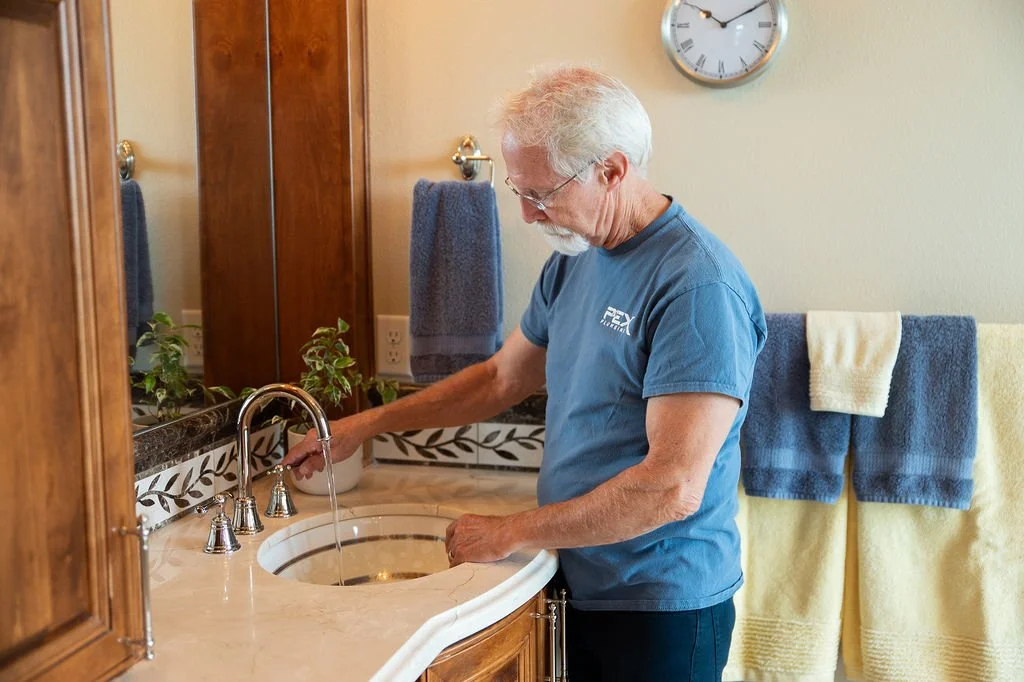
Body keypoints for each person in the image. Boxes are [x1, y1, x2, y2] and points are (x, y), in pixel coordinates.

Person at [284, 66, 766, 682]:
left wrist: (510, 531)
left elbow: (672, 489)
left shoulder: (696, 285)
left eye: (541, 193)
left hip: (657, 604)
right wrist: (369, 424)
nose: (529, 215)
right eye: (520, 191)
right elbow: (499, 380)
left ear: (611, 170)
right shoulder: (576, 259)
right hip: (577, 575)